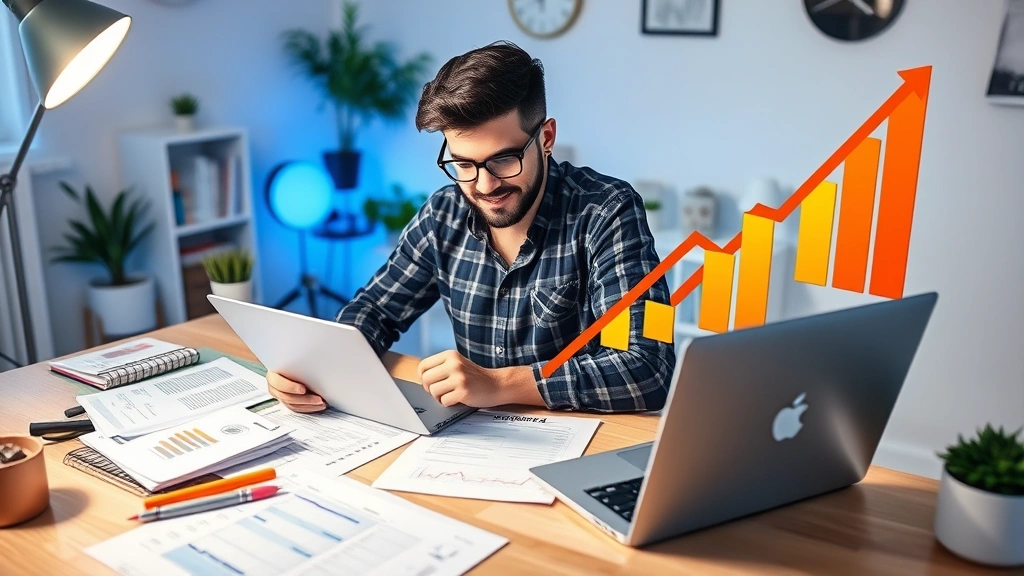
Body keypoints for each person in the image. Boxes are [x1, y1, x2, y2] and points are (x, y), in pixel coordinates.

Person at [267, 41, 675, 414]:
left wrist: (502, 383)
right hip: (473, 444)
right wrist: (313, 367)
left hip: (579, 444)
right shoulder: (442, 214)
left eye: (502, 160)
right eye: (463, 164)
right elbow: (374, 309)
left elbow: (650, 368)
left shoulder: (609, 212)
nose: (484, 186)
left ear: (546, 138)